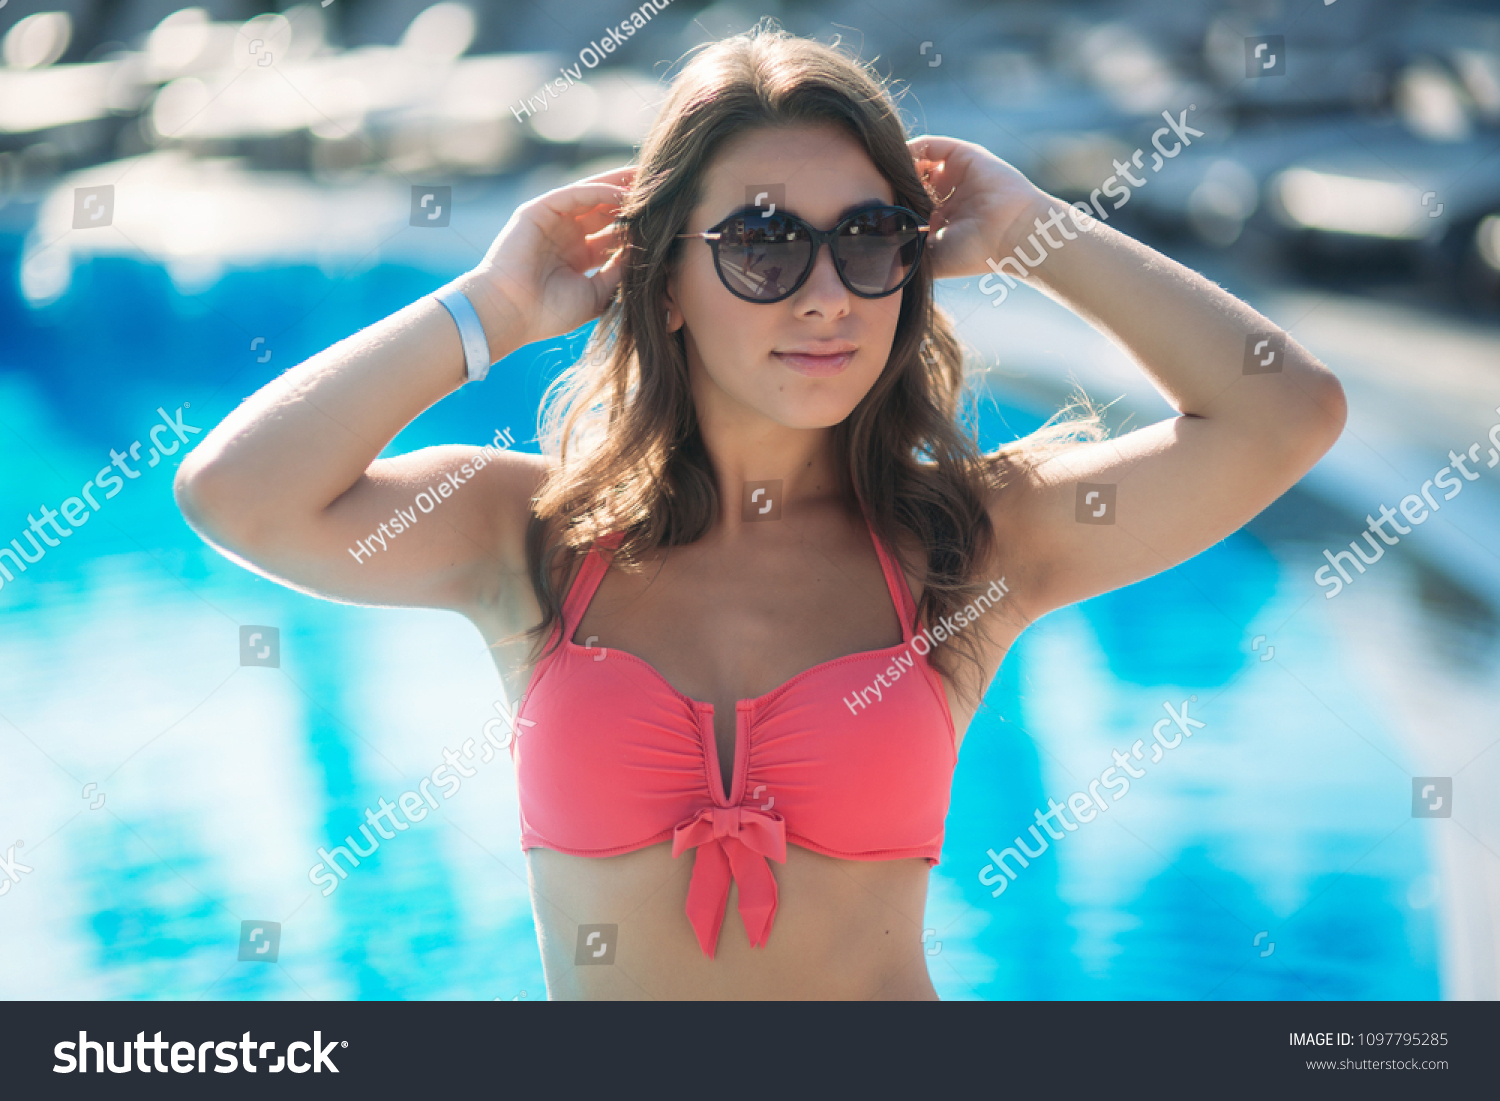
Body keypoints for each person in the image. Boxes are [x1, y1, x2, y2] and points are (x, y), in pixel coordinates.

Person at [174, 25, 1346, 999]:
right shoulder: (530, 535)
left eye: (871, 239)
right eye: (764, 245)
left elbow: (1284, 416)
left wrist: (1041, 232)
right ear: (665, 282)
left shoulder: (968, 546)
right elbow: (237, 495)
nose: (829, 295)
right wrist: (492, 304)